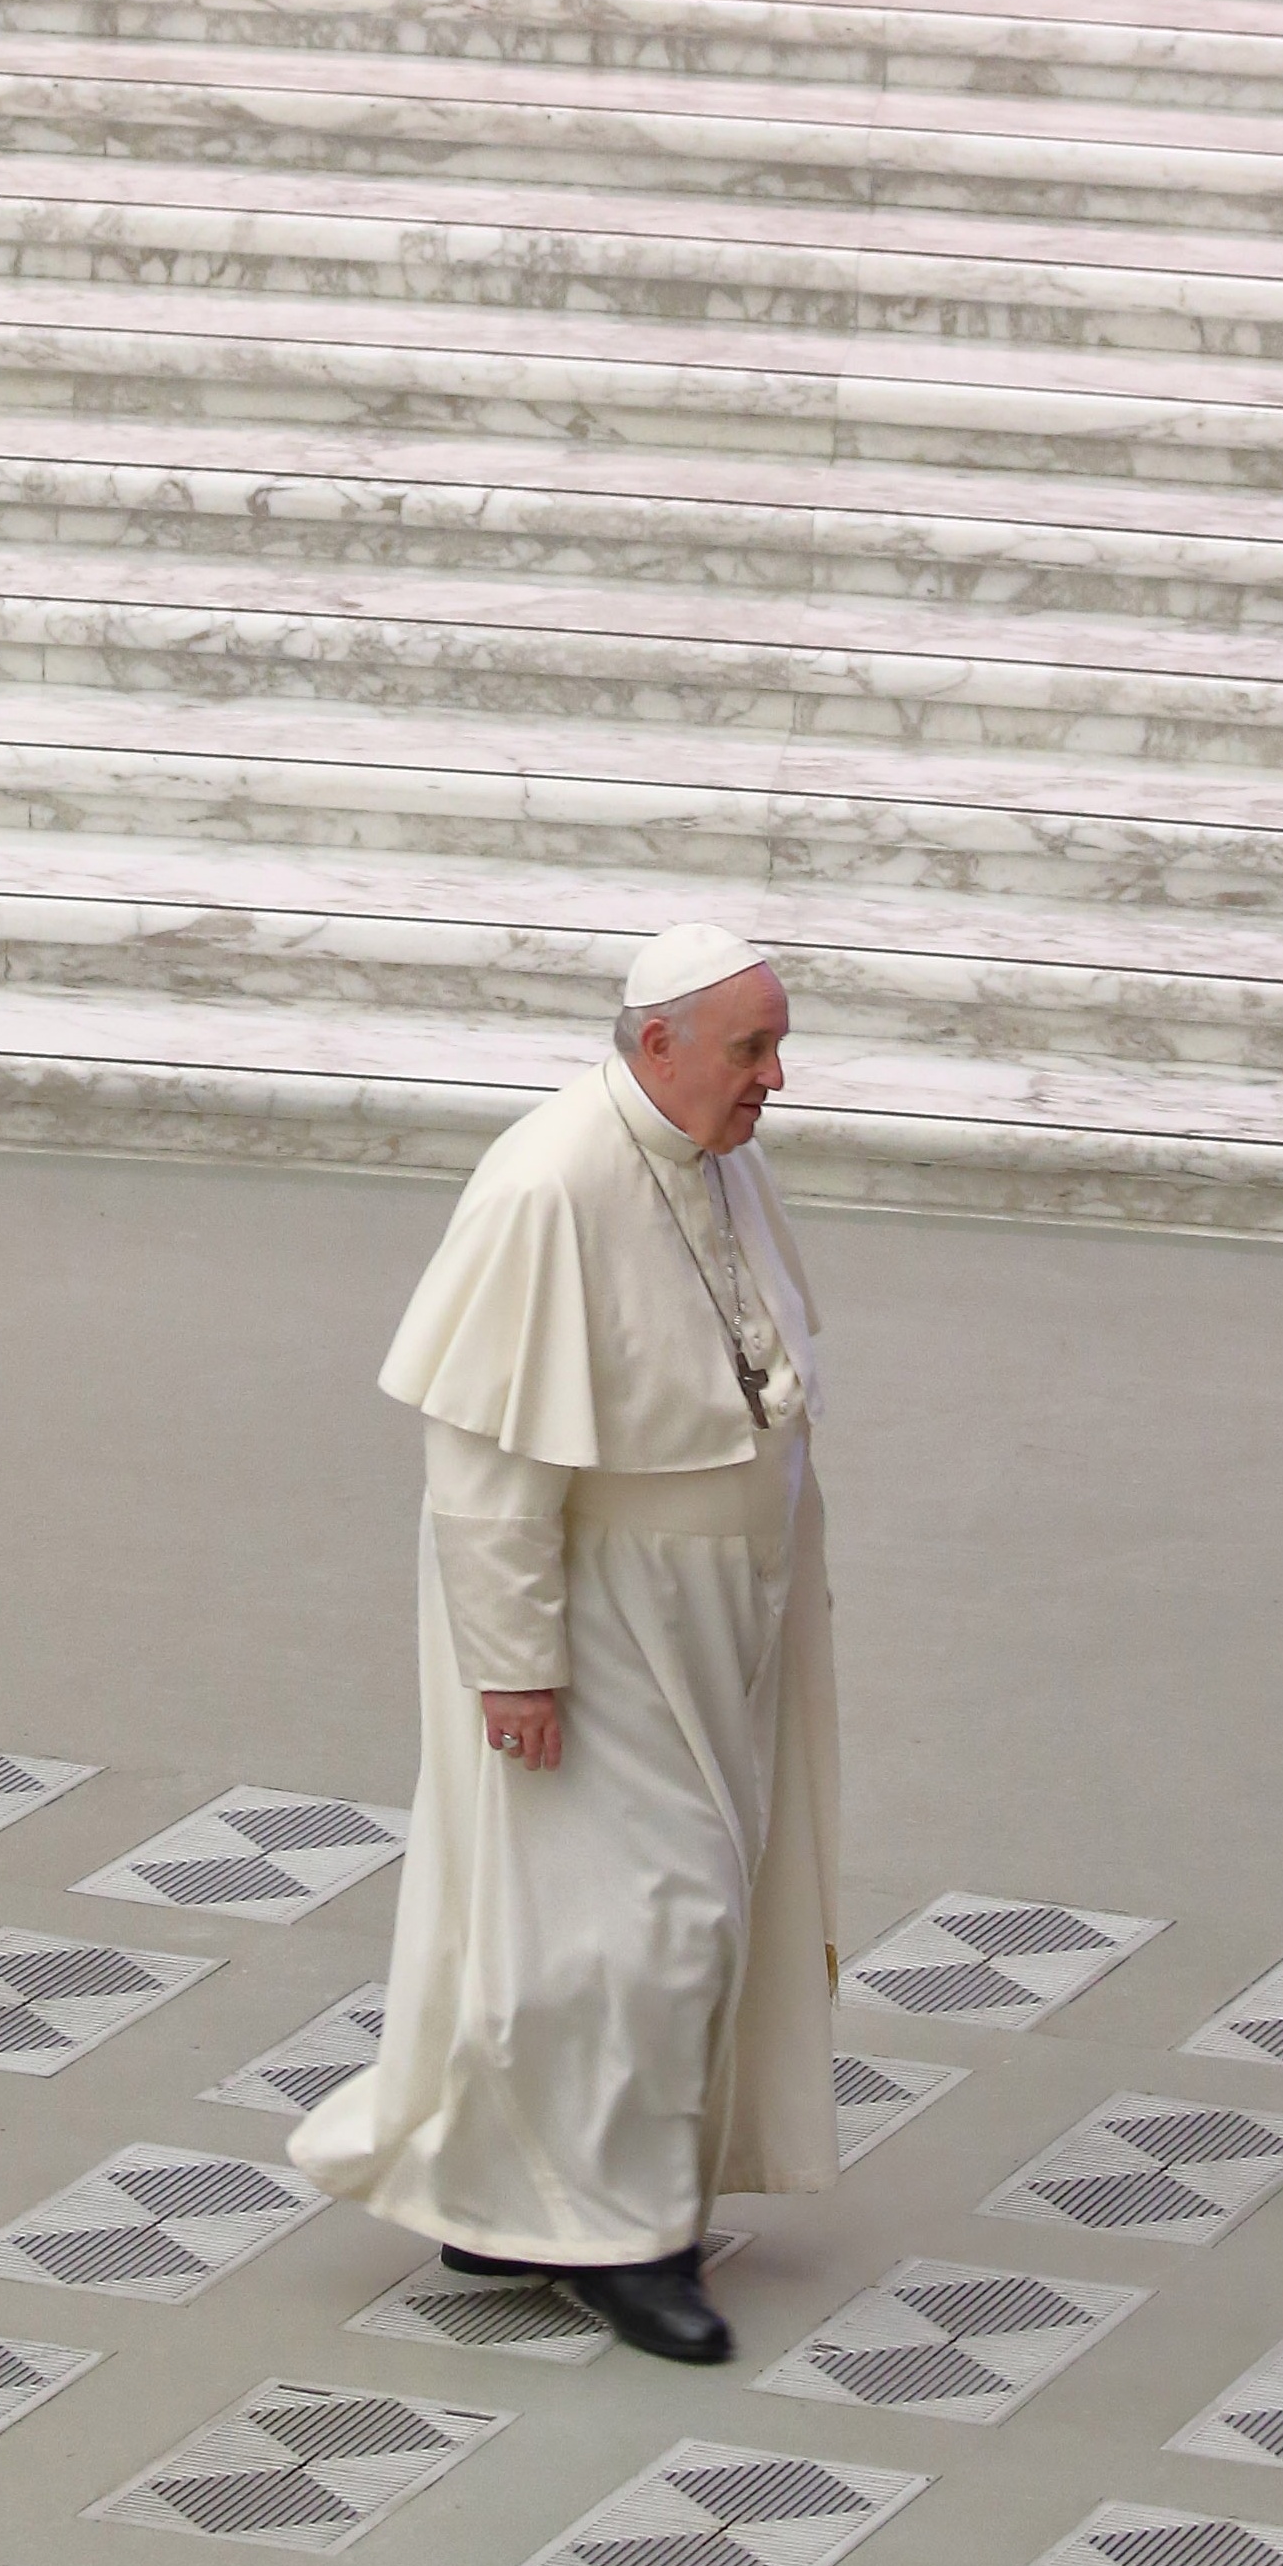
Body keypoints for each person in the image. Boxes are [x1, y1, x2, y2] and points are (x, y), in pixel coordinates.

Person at [291, 926, 839, 2364]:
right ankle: (621, 2235)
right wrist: (515, 1661)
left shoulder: (715, 1153)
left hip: (713, 1610)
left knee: (624, 1916)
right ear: (656, 1041)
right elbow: (479, 1462)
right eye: (750, 1049)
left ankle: (510, 2193)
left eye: (776, 1046)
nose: (774, 1078)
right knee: (653, 1922)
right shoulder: (545, 1184)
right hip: (598, 1613)